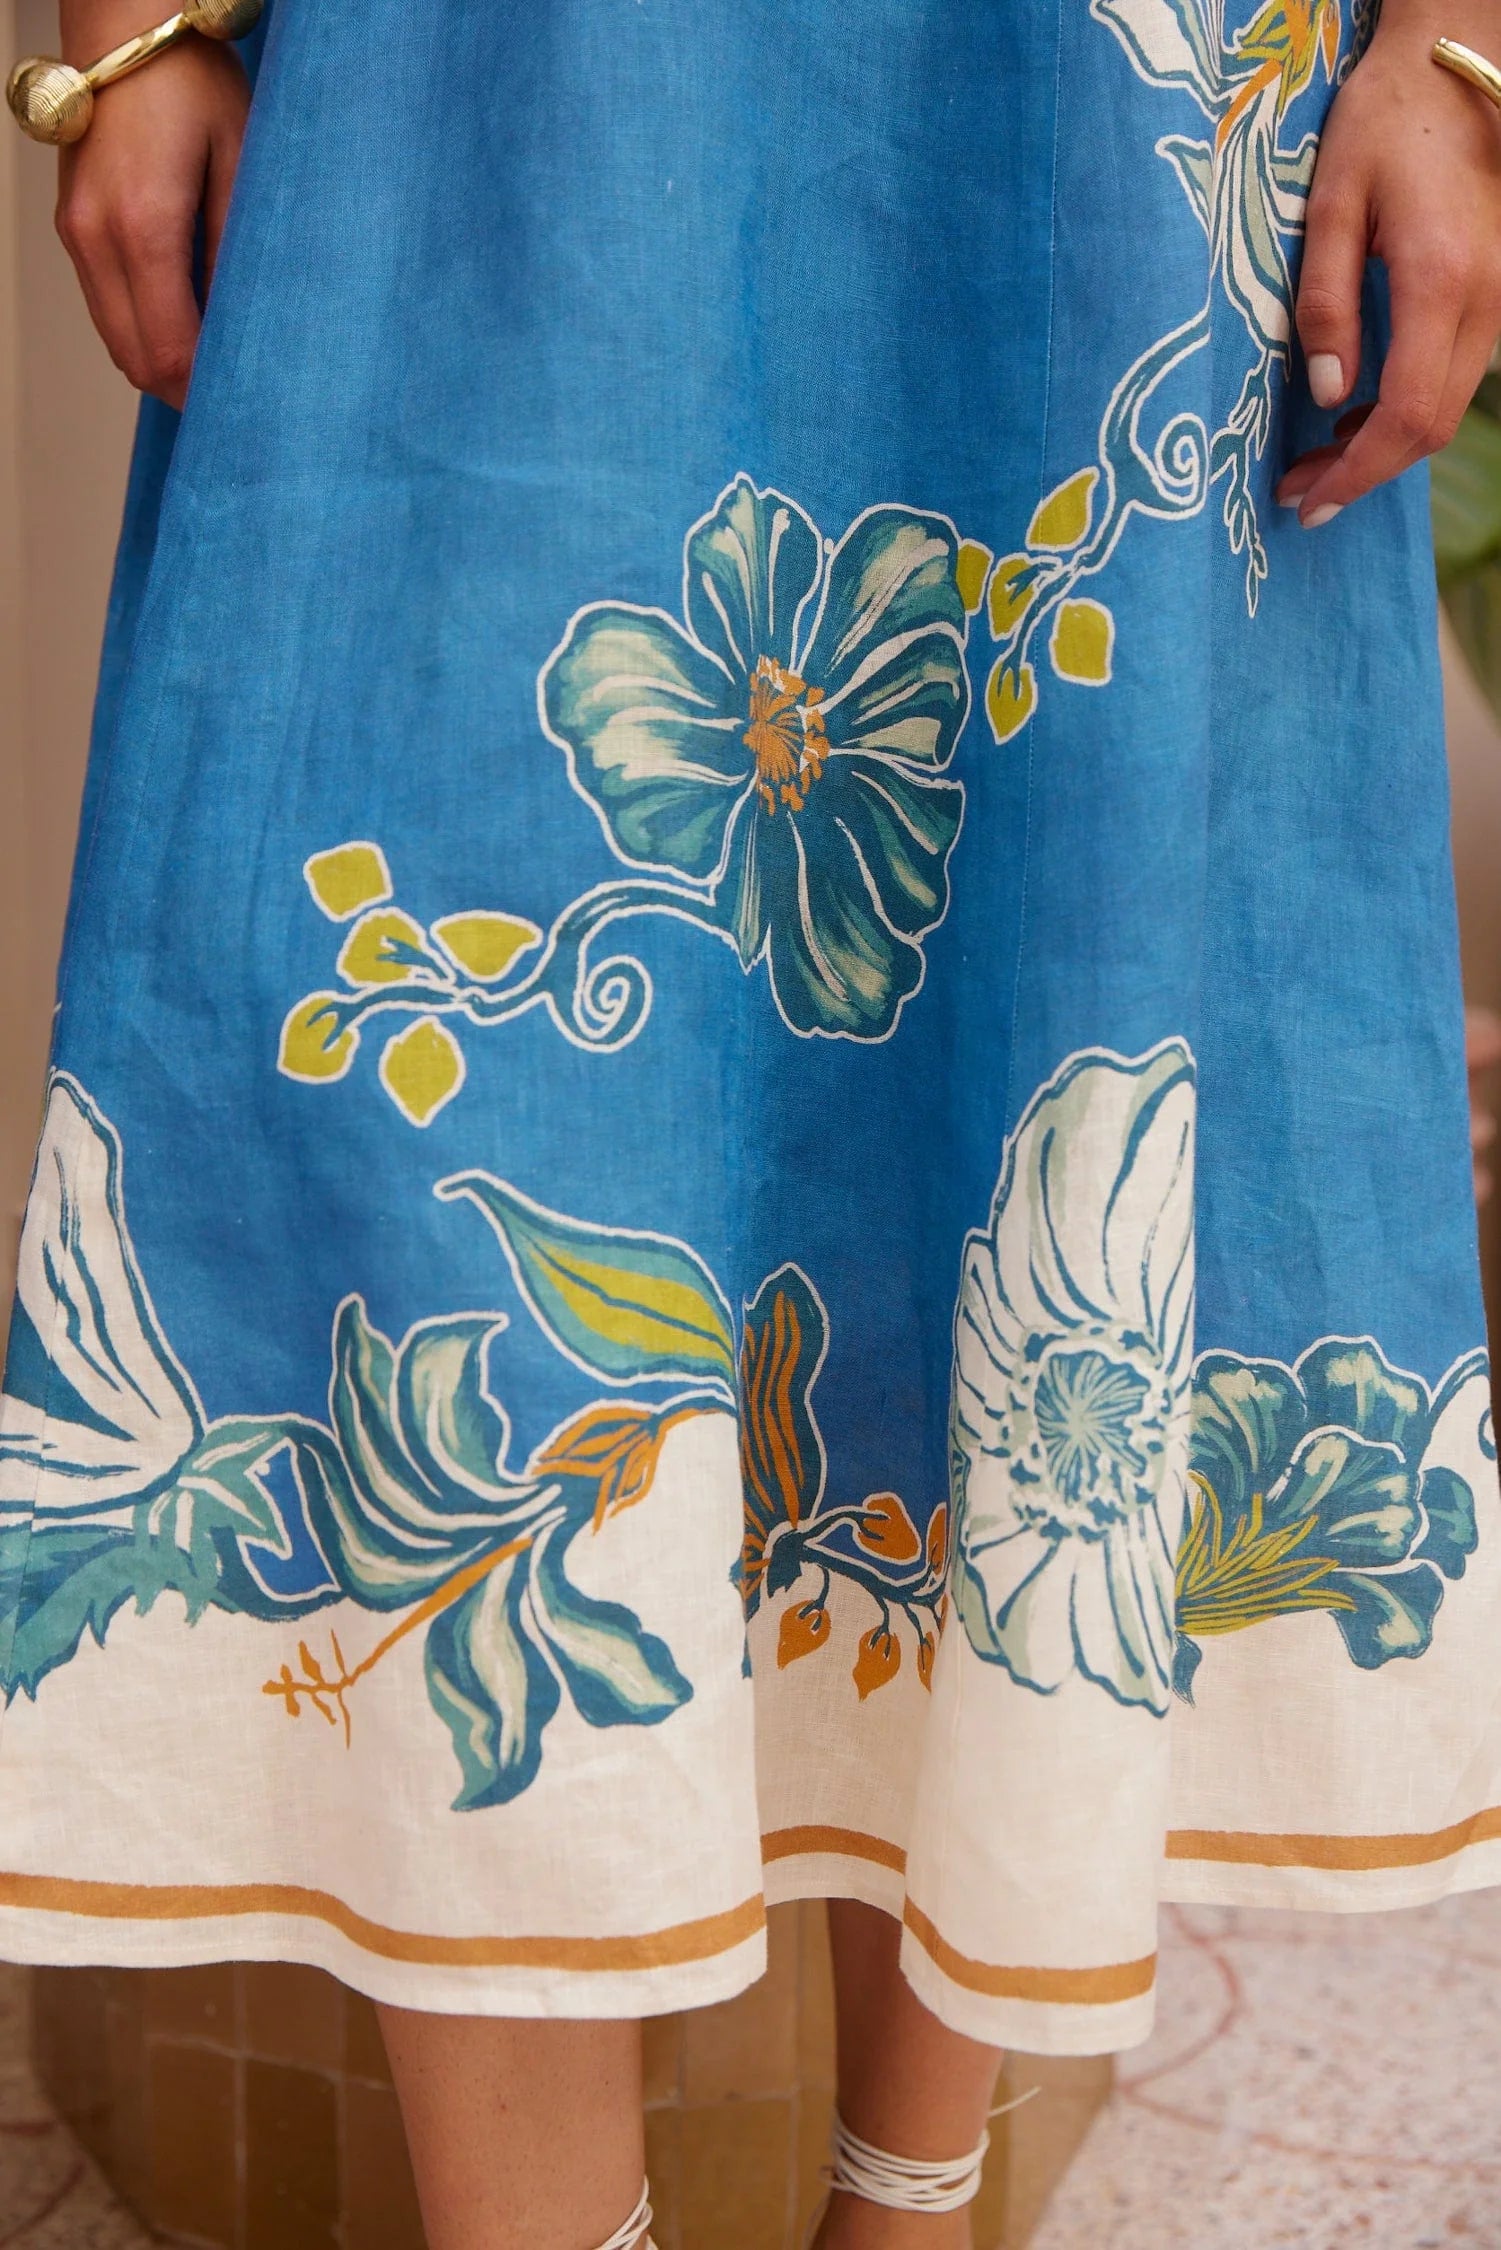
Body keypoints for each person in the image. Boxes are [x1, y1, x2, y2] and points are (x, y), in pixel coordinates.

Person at [3, 3, 1501, 2246]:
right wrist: (119, 39)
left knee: (1034, 1050)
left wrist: (1461, 50)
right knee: (427, 1082)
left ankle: (905, 2216)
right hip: (473, 86)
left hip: (1106, 90)